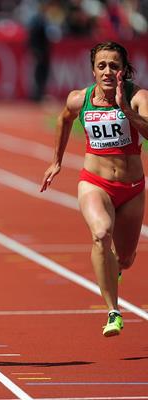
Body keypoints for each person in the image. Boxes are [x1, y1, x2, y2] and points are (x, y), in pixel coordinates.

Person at [41, 41, 148, 337]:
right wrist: (56, 162)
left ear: (123, 70)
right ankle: (114, 311)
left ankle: (115, 269)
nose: (107, 71)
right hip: (94, 182)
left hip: (133, 188)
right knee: (101, 232)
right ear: (92, 70)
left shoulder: (138, 97)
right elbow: (64, 119)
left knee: (125, 257)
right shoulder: (80, 98)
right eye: (101, 66)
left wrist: (127, 111)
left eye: (114, 65)